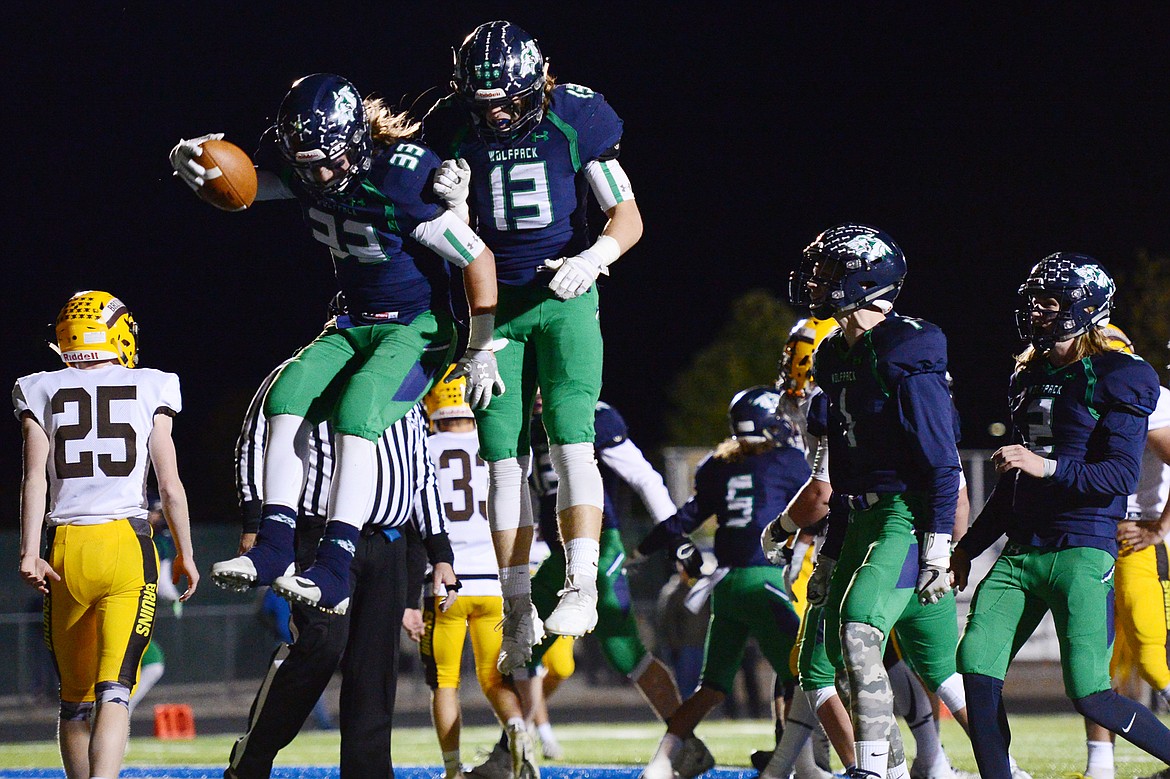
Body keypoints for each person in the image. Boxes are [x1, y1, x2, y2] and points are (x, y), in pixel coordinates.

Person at [170, 72, 498, 613]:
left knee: (357, 411)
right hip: (353, 321)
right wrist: (201, 163)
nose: (321, 174)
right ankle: (275, 546)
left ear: (360, 144)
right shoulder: (305, 168)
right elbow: (243, 187)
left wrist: (480, 344)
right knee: (286, 394)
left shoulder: (398, 180)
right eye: (308, 164)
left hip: (417, 326)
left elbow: (477, 257)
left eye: (331, 161)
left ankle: (336, 564)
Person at [424, 20, 644, 666]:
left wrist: (599, 254)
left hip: (564, 294)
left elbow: (626, 216)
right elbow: (447, 240)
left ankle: (580, 583)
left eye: (504, 100)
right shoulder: (454, 126)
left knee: (573, 435)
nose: (493, 113)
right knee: (501, 459)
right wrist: (453, 210)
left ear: (536, 85)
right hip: (494, 309)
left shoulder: (575, 117)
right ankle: (517, 602)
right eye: (482, 100)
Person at [951, 254, 1170, 779]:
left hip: (1082, 545)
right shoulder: (1027, 375)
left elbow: (1117, 477)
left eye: (1049, 302)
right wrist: (967, 549)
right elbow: (1012, 483)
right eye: (1034, 302)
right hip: (1023, 550)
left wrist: (1044, 465)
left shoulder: (1122, 374)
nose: (1037, 312)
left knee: (1091, 695)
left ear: (1084, 308)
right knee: (976, 668)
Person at [785, 224, 963, 779]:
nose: (817, 281)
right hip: (860, 517)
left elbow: (941, 460)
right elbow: (844, 469)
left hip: (904, 515)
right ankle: (911, 764)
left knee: (861, 629)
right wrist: (833, 549)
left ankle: (874, 770)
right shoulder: (836, 352)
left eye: (830, 271)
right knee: (842, 655)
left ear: (866, 278)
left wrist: (939, 544)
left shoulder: (907, 345)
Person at [225, 357, 456, 779]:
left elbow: (421, 474)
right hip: (321, 535)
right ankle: (254, 755)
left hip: (389, 540)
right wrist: (256, 524)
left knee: (375, 668)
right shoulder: (309, 368)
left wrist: (441, 550)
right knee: (320, 646)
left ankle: (366, 773)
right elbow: (256, 443)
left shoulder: (408, 377)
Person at [15, 290, 198, 779]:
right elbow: (171, 485)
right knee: (115, 690)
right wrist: (184, 552)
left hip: (64, 548)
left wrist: (30, 551)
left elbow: (34, 477)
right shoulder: (152, 384)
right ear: (117, 334)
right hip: (126, 545)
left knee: (74, 702)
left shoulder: (39, 387)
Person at [637, 386, 808, 779]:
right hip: (763, 577)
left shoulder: (717, 465)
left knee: (711, 687)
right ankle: (802, 765)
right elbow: (816, 507)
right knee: (807, 677)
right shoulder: (788, 462)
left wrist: (644, 549)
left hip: (725, 585)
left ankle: (660, 764)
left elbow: (684, 519)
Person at [420, 373, 537, 779]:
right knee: (494, 677)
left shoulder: (424, 448)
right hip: (494, 582)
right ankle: (518, 729)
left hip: (445, 582)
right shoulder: (496, 446)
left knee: (445, 683)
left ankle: (453, 770)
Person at [1071, 325, 1170, 779]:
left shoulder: (1149, 397)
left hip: (1135, 541)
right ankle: (1100, 765)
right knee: (1096, 661)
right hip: (1091, 535)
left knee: (1152, 656)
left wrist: (1158, 527)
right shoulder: (1075, 391)